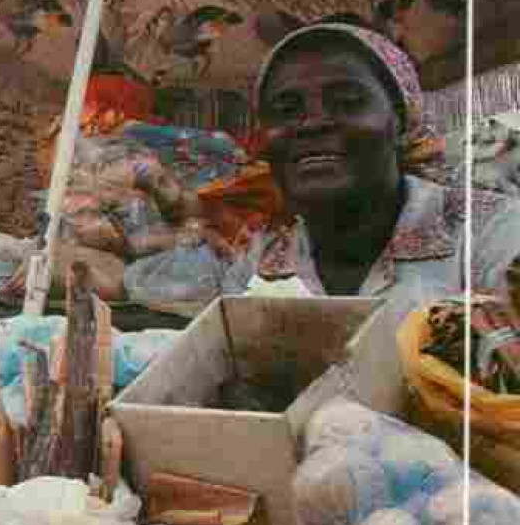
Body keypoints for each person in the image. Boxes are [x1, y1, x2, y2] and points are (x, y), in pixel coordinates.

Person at [223, 22, 520, 318]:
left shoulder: (491, 233)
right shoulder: (258, 267)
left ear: (401, 120)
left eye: (347, 102)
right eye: (287, 110)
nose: (313, 122)